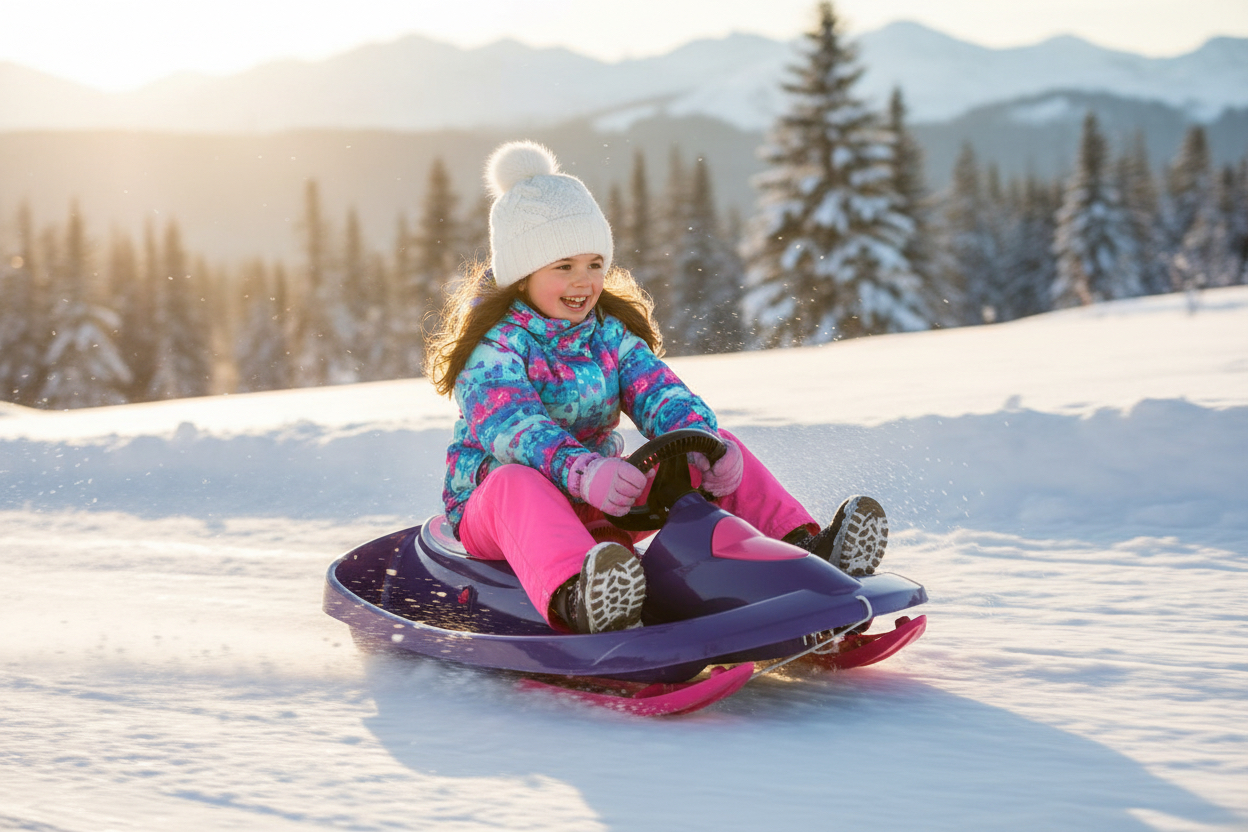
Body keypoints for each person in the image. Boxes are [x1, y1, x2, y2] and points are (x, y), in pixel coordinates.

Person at [425, 140, 888, 635]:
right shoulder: (494, 349)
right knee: (516, 482)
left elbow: (659, 391)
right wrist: (581, 470)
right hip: (499, 510)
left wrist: (703, 441)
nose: (584, 281)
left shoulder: (608, 335)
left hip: (601, 495)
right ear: (521, 276)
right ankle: (581, 599)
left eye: (594, 263)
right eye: (563, 267)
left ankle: (805, 555)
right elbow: (513, 427)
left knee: (715, 445)